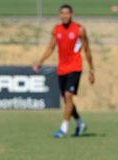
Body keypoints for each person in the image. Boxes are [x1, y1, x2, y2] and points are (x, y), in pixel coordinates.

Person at [33, 4, 95, 138]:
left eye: (67, 13)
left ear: (71, 14)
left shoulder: (79, 29)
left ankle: (63, 128)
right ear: (59, 15)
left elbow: (87, 50)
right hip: (62, 69)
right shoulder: (56, 30)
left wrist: (91, 70)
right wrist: (40, 61)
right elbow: (50, 48)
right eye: (62, 13)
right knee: (68, 101)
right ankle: (80, 123)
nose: (65, 15)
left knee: (68, 96)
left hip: (75, 67)